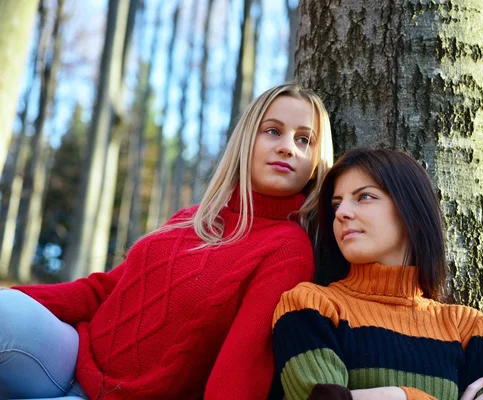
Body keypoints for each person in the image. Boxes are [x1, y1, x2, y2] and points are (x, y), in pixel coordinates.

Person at [0, 82, 334, 400]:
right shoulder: (194, 216)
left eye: (305, 140)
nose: (288, 146)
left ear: (316, 163)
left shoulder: (287, 249)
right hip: (71, 354)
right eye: (273, 131)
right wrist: (15, 295)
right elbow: (104, 290)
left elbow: (242, 364)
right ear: (246, 140)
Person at [272, 148, 483, 400]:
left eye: (365, 197)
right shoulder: (310, 305)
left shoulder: (468, 326)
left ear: (411, 212)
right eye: (337, 204)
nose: (342, 213)